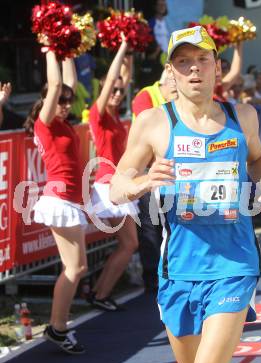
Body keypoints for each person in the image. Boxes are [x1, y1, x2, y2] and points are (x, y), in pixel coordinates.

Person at [110, 26, 261, 363]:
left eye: (202, 60)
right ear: (170, 71)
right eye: (183, 62)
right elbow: (116, 187)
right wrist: (142, 182)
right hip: (178, 270)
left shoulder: (243, 117)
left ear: (217, 67)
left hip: (234, 264)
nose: (193, 69)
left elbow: (260, 158)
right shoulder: (153, 122)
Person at [24, 52, 87, 354]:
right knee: (75, 268)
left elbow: (68, 82)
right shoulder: (45, 122)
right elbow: (57, 82)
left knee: (76, 267)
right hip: (59, 199)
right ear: (48, 99)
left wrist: (68, 51)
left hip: (71, 200)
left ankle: (58, 326)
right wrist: (50, 47)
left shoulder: (62, 121)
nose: (65, 105)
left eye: (67, 101)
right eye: (59, 100)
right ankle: (57, 327)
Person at [87, 34, 139, 311]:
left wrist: (129, 47)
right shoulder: (98, 115)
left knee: (127, 244)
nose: (117, 94)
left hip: (119, 183)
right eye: (114, 91)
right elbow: (110, 82)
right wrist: (120, 48)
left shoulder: (116, 116)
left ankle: (98, 292)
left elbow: (124, 78)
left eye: (121, 92)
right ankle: (99, 294)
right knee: (130, 244)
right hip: (108, 186)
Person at [131, 70, 177, 293]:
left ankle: (172, 272)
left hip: (176, 173)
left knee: (173, 224)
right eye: (176, 88)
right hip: (151, 171)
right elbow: (152, 131)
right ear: (167, 81)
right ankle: (151, 278)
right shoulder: (146, 96)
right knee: (151, 227)